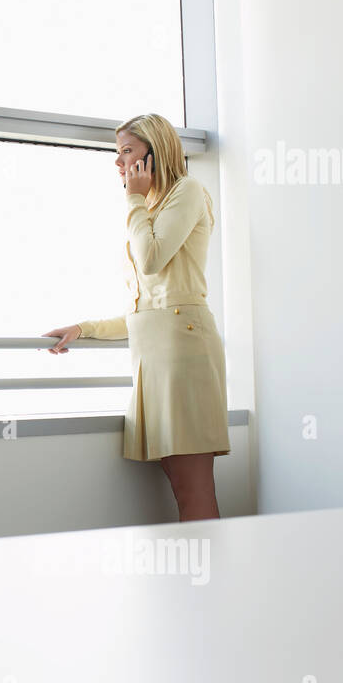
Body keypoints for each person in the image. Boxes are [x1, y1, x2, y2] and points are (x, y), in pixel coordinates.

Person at [43, 113, 229, 522]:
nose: (118, 162)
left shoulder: (188, 191)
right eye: (118, 152)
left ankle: (213, 578)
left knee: (192, 488)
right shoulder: (151, 208)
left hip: (184, 353)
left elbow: (150, 259)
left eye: (126, 151)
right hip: (156, 357)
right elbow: (144, 308)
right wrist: (84, 329)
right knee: (181, 485)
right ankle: (202, 577)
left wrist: (132, 199)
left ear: (154, 150)